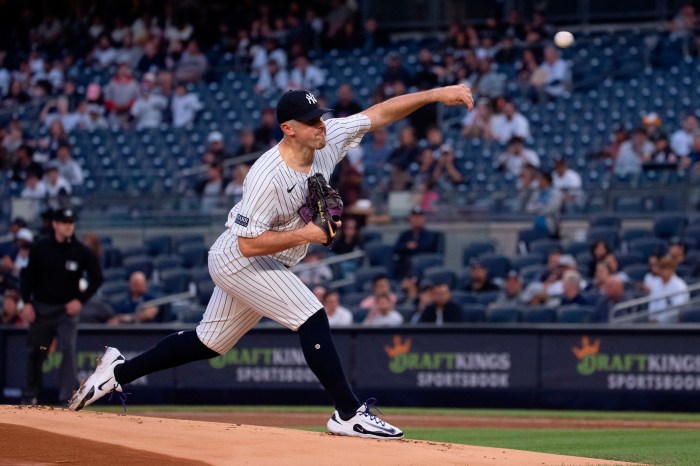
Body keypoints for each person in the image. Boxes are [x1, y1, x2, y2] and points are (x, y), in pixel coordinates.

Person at [68, 85, 474, 439]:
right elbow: (246, 246)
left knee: (209, 342)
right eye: (311, 120)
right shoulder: (266, 176)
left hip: (268, 260)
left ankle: (116, 373)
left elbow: (377, 114)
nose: (321, 125)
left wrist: (437, 94)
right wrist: (309, 234)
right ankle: (348, 414)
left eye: (320, 117)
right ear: (288, 128)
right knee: (312, 315)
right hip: (239, 258)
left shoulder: (328, 138)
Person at [20, 208, 103, 405]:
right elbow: (27, 277)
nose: (68, 226)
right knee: (38, 350)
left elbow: (97, 278)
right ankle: (31, 394)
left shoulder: (80, 251)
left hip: (66, 312)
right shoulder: (40, 248)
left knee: (67, 347)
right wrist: (27, 303)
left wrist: (80, 300)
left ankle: (68, 396)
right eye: (64, 222)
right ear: (56, 224)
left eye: (71, 223)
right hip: (42, 310)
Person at [393, 206, 441, 279]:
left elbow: (427, 249)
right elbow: (396, 248)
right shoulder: (405, 235)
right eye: (414, 217)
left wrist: (414, 247)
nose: (416, 220)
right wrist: (406, 246)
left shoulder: (430, 235)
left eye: (419, 217)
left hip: (423, 267)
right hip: (404, 268)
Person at [647, 255, 689, 323]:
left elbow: (677, 310)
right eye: (661, 268)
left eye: (665, 268)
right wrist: (652, 319)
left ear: (672, 269)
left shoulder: (680, 286)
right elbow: (652, 306)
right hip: (656, 324)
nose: (662, 271)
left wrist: (660, 320)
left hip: (676, 323)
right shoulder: (656, 284)